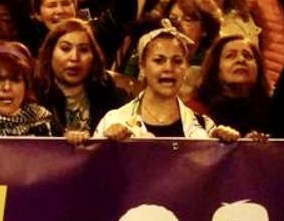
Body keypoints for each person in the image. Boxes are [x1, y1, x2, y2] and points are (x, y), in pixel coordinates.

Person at [89, 27, 241, 141]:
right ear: (142, 66)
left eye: (177, 61)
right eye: (159, 60)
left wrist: (224, 144)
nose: (168, 68)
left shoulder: (205, 127)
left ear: (186, 68)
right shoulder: (113, 120)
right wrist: (105, 144)